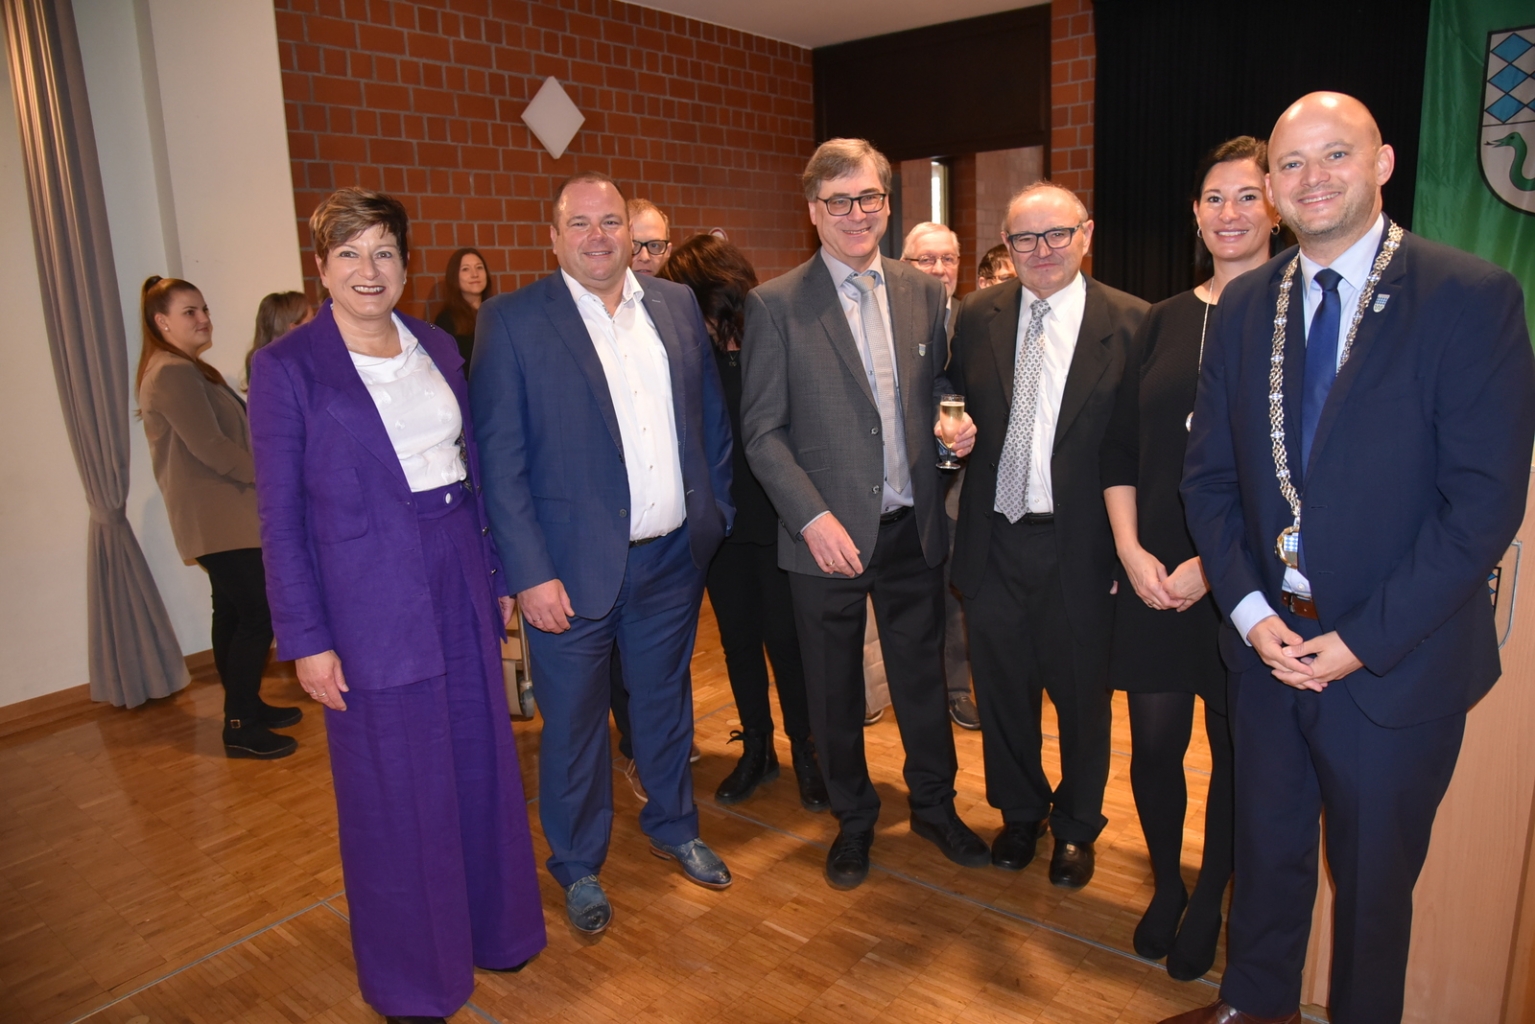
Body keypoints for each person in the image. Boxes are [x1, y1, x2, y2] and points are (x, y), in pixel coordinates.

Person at [1170, 93, 1535, 1024]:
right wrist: (1251, 617)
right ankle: (1254, 1009)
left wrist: (1357, 642)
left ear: (1381, 163)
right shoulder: (1247, 303)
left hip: (1392, 666)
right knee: (1266, 863)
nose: (1311, 179)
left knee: (1373, 895)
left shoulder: (1469, 296)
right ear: (1272, 189)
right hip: (1266, 656)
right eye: (1289, 165)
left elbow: (1481, 506)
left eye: (1334, 156)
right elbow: (1208, 481)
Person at [249, 187, 546, 1024]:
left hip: (455, 567)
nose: (367, 270)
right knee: (394, 790)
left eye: (382, 251)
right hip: (365, 598)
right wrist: (306, 638)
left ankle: (497, 930)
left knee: (481, 761)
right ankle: (417, 978)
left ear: (406, 264)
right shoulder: (286, 368)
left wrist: (496, 574)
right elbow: (278, 517)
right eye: (348, 254)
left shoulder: (436, 344)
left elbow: (473, 461)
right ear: (321, 268)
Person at [471, 172, 735, 936]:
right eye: (578, 223)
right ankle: (578, 863)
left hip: (669, 562)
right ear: (552, 237)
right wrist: (528, 573)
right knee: (575, 725)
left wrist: (710, 518)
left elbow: (708, 424)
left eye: (610, 222)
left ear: (631, 231)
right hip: (568, 575)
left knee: (663, 704)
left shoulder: (676, 307)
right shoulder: (513, 321)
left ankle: (674, 825)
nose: (597, 237)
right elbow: (500, 460)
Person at [741, 137, 987, 891]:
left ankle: (936, 806)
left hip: (912, 529)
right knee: (833, 689)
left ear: (886, 203)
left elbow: (940, 389)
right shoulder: (775, 304)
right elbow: (761, 430)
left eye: (870, 198)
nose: (857, 214)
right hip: (823, 539)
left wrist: (956, 434)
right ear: (814, 211)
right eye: (839, 201)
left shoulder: (922, 290)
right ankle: (853, 819)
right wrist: (811, 518)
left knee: (919, 679)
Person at [1100, 136, 1278, 981]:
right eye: (1213, 198)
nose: (1228, 213)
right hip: (1153, 570)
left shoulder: (1296, 313)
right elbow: (1119, 447)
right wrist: (1131, 550)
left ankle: (1212, 898)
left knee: (1238, 752)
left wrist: (1214, 563)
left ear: (1275, 205)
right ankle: (1167, 885)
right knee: (1154, 745)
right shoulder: (1162, 318)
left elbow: (1299, 470)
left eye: (1245, 196)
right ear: (1194, 213)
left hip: (1246, 577)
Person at [947, 181, 1148, 890]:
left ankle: (1076, 827)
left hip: (1083, 549)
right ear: (1006, 246)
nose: (1039, 251)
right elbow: (949, 410)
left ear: (1085, 234)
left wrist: (1132, 547)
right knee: (1000, 693)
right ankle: (1019, 813)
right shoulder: (975, 316)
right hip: (993, 540)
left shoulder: (1130, 322)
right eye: (1022, 240)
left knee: (1080, 699)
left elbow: (1143, 452)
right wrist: (951, 442)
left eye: (1055, 235)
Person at [656, 234, 829, 812]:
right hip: (720, 523)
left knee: (787, 641)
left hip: (778, 517)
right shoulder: (687, 356)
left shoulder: (770, 337)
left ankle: (806, 749)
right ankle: (756, 748)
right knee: (736, 643)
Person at [137, 276, 300, 760]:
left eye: (204, 308)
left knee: (231, 612)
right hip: (221, 517)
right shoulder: (171, 372)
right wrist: (274, 477)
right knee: (259, 613)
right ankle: (240, 724)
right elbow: (211, 449)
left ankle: (245, 705)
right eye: (190, 311)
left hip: (221, 516)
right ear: (161, 322)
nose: (203, 318)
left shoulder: (187, 368)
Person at [901, 221, 980, 731]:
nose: (938, 269)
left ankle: (957, 688)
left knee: (959, 598)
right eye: (926, 260)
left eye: (948, 258)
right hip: (913, 485)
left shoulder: (974, 320)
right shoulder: (900, 321)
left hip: (969, 485)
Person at [433, 247, 493, 366]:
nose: (475, 274)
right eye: (465, 269)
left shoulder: (496, 313)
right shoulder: (446, 321)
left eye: (479, 267)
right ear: (454, 276)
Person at [242, 290, 311, 392]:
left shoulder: (258, 363)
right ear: (294, 328)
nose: (316, 325)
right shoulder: (275, 368)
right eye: (311, 319)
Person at [628, 197, 672, 276]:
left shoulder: (681, 288)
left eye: (654, 245)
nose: (645, 258)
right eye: (633, 246)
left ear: (668, 252)